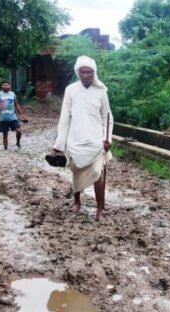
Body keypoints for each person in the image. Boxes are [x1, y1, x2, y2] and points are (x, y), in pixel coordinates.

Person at [51, 56, 113, 221]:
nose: (86, 75)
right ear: (78, 73)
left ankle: (100, 210)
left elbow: (108, 117)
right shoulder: (71, 90)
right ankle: (76, 201)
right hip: (75, 141)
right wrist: (59, 145)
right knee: (77, 171)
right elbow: (65, 118)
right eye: (83, 72)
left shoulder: (101, 91)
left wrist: (108, 140)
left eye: (89, 72)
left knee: (96, 174)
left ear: (94, 73)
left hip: (95, 142)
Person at [0, 80, 26, 150]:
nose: (5, 86)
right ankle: (5, 150)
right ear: (1, 86)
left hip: (13, 117)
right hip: (3, 118)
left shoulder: (12, 94)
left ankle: (18, 142)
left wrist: (22, 114)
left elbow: (16, 104)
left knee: (19, 131)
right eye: (4, 85)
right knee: (5, 135)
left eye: (7, 85)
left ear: (9, 86)